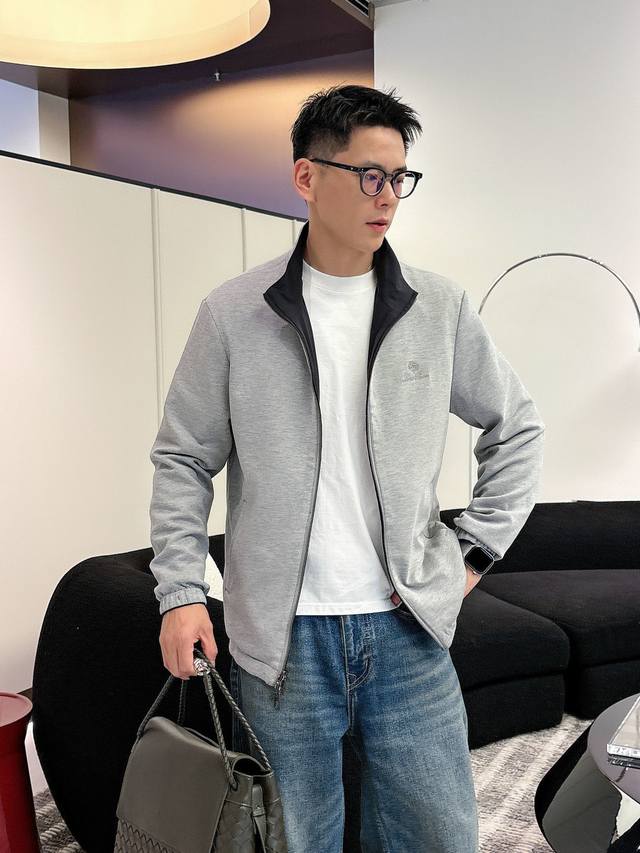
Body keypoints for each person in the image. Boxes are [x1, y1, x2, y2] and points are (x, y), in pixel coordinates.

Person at [148, 83, 545, 852]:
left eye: (399, 177)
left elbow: (516, 426)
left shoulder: (438, 307)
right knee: (300, 840)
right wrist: (181, 590)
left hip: (408, 630)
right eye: (368, 174)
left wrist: (472, 553)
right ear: (307, 176)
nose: (387, 196)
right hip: (282, 646)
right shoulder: (234, 313)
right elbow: (183, 457)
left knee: (439, 835)